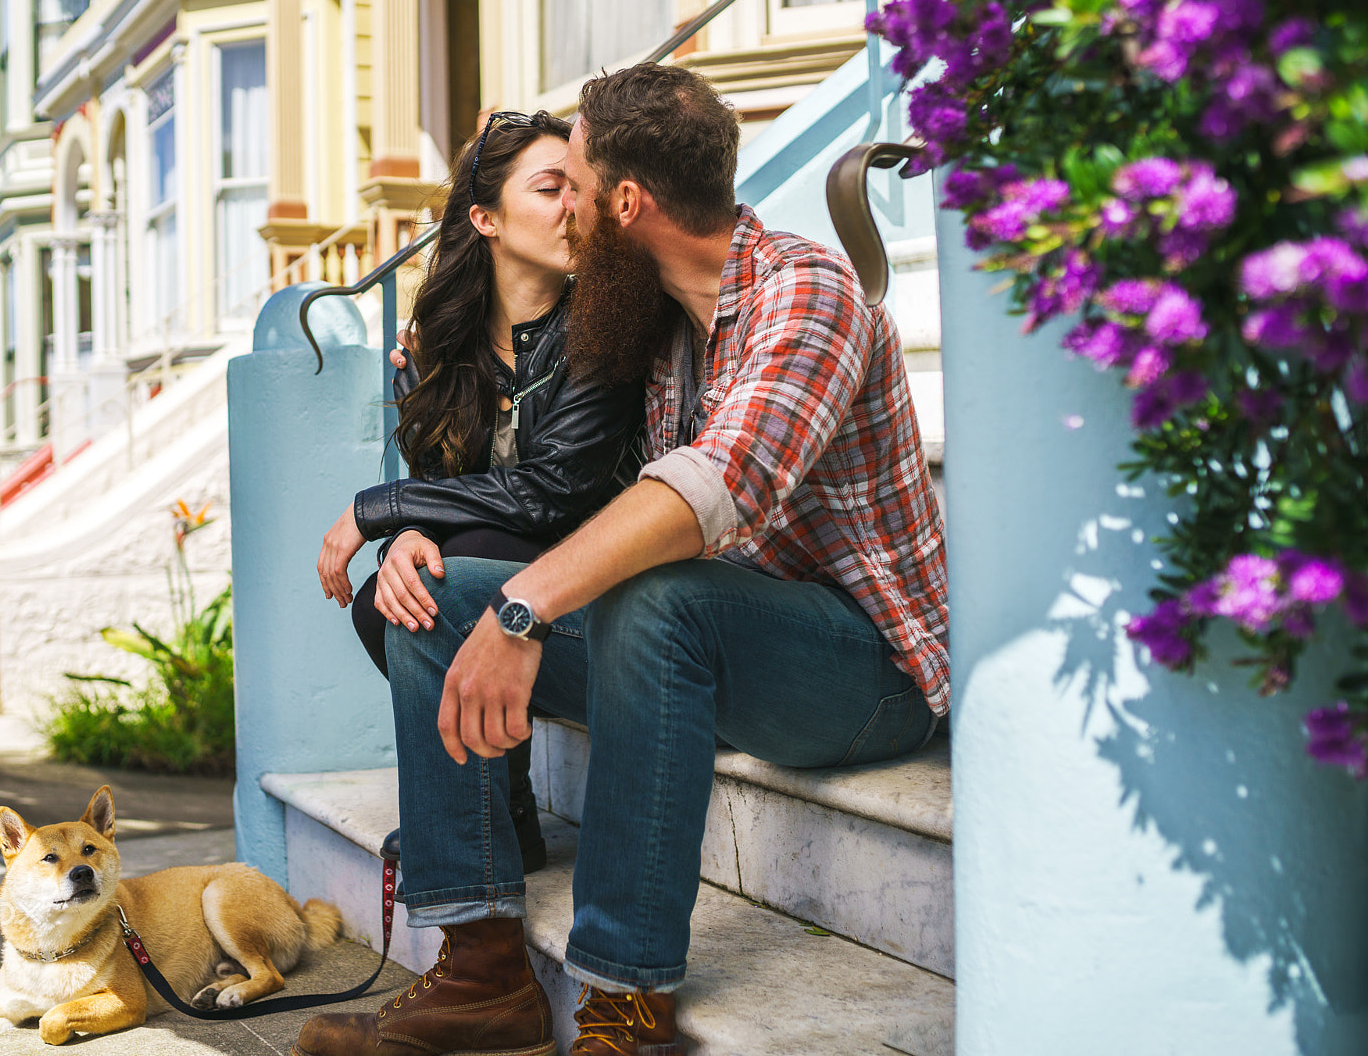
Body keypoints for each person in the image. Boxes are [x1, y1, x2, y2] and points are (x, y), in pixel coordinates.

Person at [294, 64, 949, 1056]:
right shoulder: (651, 324)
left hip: (861, 672)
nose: (569, 209)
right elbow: (575, 496)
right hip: (712, 656)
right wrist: (430, 528)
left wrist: (521, 613)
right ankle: (481, 976)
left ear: (627, 204)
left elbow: (710, 489)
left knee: (658, 599)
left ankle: (624, 1007)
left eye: (580, 185)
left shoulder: (804, 293)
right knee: (427, 597)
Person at [316, 109, 644, 876]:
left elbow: (553, 495)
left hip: (599, 597)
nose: (574, 204)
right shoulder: (435, 350)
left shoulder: (605, 324)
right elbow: (443, 490)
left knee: (457, 573)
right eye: (549, 186)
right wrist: (405, 539)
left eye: (578, 187)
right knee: (389, 599)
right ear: (485, 218)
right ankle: (502, 815)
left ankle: (486, 825)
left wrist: (384, 510)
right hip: (509, 581)